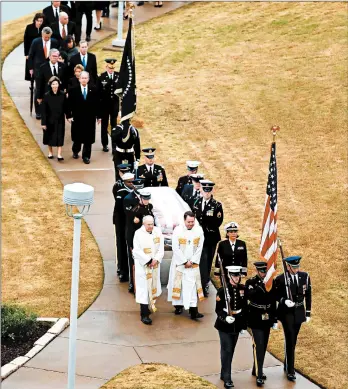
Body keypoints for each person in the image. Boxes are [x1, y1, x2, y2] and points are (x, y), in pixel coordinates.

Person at [274, 255, 312, 382]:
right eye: (294, 267)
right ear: (288, 267)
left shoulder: (305, 276)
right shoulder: (281, 279)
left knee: (293, 340)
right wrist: (284, 300)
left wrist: (308, 313)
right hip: (286, 313)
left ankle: (287, 362)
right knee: (290, 339)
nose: (296, 269)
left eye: (297, 267)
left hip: (299, 312)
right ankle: (291, 370)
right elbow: (275, 295)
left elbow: (308, 294)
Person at [167, 211, 205, 320]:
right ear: (184, 220)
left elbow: (199, 248)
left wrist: (192, 261)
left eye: (192, 222)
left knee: (192, 286)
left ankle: (194, 311)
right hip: (180, 264)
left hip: (192, 265)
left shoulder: (198, 230)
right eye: (188, 222)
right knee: (179, 285)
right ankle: (178, 307)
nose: (190, 224)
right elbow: (175, 247)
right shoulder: (178, 230)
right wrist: (184, 261)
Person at [245, 262, 277, 387]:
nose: (264, 273)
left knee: (263, 346)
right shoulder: (251, 282)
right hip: (255, 316)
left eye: (265, 271)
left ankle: (256, 369)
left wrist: (274, 319)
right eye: (262, 271)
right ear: (257, 271)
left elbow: (273, 301)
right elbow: (248, 296)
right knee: (259, 345)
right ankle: (259, 374)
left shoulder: (271, 282)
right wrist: (260, 287)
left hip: (267, 316)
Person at [215, 265, 247, 389]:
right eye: (234, 275)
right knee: (227, 349)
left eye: (238, 275)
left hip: (237, 323)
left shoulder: (243, 289)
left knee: (231, 350)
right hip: (224, 325)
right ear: (229, 276)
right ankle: (227, 377)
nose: (237, 278)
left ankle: (224, 373)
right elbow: (218, 309)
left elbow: (244, 308)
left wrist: (244, 326)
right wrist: (225, 317)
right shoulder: (222, 291)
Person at [192, 180, 224, 297]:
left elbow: (218, 221)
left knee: (207, 260)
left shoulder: (217, 205)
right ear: (201, 190)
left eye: (209, 191)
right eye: (204, 190)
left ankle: (204, 283)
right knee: (200, 260)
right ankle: (200, 282)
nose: (206, 193)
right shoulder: (196, 202)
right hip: (198, 238)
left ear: (212, 191)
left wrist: (204, 229)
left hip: (210, 237)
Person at [133, 215, 164, 325]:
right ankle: (144, 314)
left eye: (152, 224)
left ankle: (151, 305)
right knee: (144, 289)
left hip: (154, 265)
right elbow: (137, 250)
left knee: (153, 286)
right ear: (143, 224)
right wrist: (149, 260)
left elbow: (161, 248)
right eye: (148, 224)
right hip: (143, 266)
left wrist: (156, 259)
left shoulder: (158, 231)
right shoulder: (138, 234)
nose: (151, 226)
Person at [66, 70, 101, 163]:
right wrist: (68, 116)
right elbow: (68, 104)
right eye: (82, 78)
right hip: (77, 117)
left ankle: (86, 156)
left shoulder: (94, 89)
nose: (84, 80)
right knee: (77, 137)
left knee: (88, 138)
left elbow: (98, 104)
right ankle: (76, 150)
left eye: (86, 78)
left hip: (90, 118)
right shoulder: (73, 90)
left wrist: (99, 116)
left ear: (88, 79)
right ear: (79, 79)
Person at [28, 27, 59, 119]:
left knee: (50, 88)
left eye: (48, 37)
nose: (47, 39)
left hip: (50, 69)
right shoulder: (36, 42)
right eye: (45, 37)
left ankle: (49, 110)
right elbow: (31, 56)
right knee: (38, 90)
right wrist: (30, 68)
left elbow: (58, 53)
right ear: (42, 34)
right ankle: (38, 111)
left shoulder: (54, 42)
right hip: (38, 70)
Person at [123, 179, 144, 292]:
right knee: (133, 259)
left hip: (145, 233)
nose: (139, 188)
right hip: (133, 233)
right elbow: (131, 216)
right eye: (137, 186)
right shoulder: (128, 199)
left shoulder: (146, 197)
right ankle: (133, 283)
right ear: (134, 187)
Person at [41, 76, 68, 160]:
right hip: (49, 120)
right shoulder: (46, 95)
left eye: (56, 84)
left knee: (60, 136)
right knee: (49, 136)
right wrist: (43, 123)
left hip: (60, 119)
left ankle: (59, 154)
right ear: (50, 85)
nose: (55, 86)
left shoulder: (63, 95)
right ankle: (50, 152)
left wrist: (69, 116)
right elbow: (43, 111)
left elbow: (66, 107)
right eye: (53, 84)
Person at [113, 171, 134, 282]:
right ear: (125, 182)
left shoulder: (135, 191)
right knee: (121, 246)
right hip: (122, 223)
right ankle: (122, 270)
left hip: (131, 223)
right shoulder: (121, 193)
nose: (132, 183)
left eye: (132, 181)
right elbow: (120, 211)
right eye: (130, 182)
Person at [97, 58, 120, 152]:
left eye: (113, 68)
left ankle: (114, 145)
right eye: (110, 68)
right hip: (104, 106)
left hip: (114, 105)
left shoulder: (118, 76)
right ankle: (105, 144)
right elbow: (98, 93)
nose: (111, 70)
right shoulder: (101, 77)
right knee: (104, 126)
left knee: (114, 126)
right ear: (106, 67)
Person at [24, 13, 44, 81]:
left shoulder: (43, 28)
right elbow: (26, 41)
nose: (40, 22)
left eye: (41, 21)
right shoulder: (29, 27)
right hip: (30, 51)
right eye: (38, 21)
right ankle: (31, 82)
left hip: (40, 51)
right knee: (30, 67)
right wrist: (26, 54)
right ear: (35, 20)